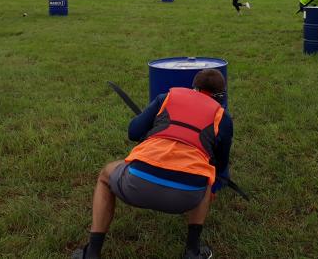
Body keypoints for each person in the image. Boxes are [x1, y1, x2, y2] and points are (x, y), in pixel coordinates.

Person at [73, 69, 234, 259]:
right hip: (188, 197)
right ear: (222, 94)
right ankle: (192, 251)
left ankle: (92, 252)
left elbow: (133, 132)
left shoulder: (166, 97)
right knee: (206, 177)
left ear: (194, 87)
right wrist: (216, 185)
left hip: (137, 184)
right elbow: (221, 163)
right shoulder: (222, 117)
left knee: (105, 176)